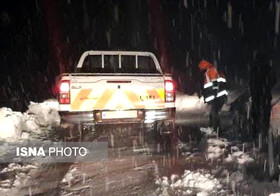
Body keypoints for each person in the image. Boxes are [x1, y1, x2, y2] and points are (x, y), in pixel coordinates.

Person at [249, 52, 277, 140]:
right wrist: (267, 87)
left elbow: (251, 82)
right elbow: (273, 80)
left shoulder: (254, 69)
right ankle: (264, 134)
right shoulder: (268, 68)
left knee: (256, 115)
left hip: (257, 95)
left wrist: (254, 90)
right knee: (265, 114)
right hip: (264, 95)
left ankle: (255, 134)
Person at [198, 60, 228, 131]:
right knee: (213, 113)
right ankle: (214, 129)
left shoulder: (211, 70)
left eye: (201, 68)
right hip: (219, 96)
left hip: (218, 96)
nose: (201, 70)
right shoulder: (211, 70)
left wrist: (215, 93)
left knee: (214, 113)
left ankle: (215, 129)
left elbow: (214, 82)